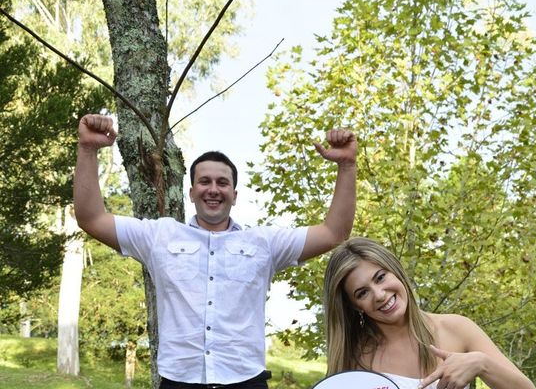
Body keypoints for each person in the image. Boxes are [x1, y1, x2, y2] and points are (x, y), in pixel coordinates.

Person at [73, 114, 357, 389]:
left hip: (246, 381)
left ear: (234, 195)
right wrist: (87, 148)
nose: (213, 189)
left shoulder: (264, 243)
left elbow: (334, 233)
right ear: (192, 192)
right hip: (179, 382)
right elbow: (92, 219)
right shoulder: (159, 235)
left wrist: (347, 165)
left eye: (223, 183)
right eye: (204, 181)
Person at [323, 238, 536, 389]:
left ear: (396, 271)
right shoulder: (354, 357)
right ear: (355, 306)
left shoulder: (456, 329)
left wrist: (481, 364)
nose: (379, 295)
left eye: (380, 277)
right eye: (362, 293)